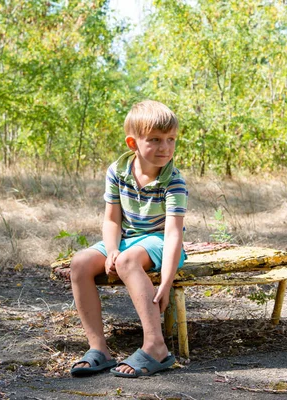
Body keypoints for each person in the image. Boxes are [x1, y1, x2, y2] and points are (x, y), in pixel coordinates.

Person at [69, 100, 187, 378]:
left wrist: (167, 282)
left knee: (128, 260)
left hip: (161, 243)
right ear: (133, 143)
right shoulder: (118, 172)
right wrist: (110, 250)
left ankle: (155, 346)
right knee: (80, 263)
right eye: (155, 140)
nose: (165, 148)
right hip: (126, 241)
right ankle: (99, 349)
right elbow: (111, 220)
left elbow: (173, 234)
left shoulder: (174, 181)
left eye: (171, 140)